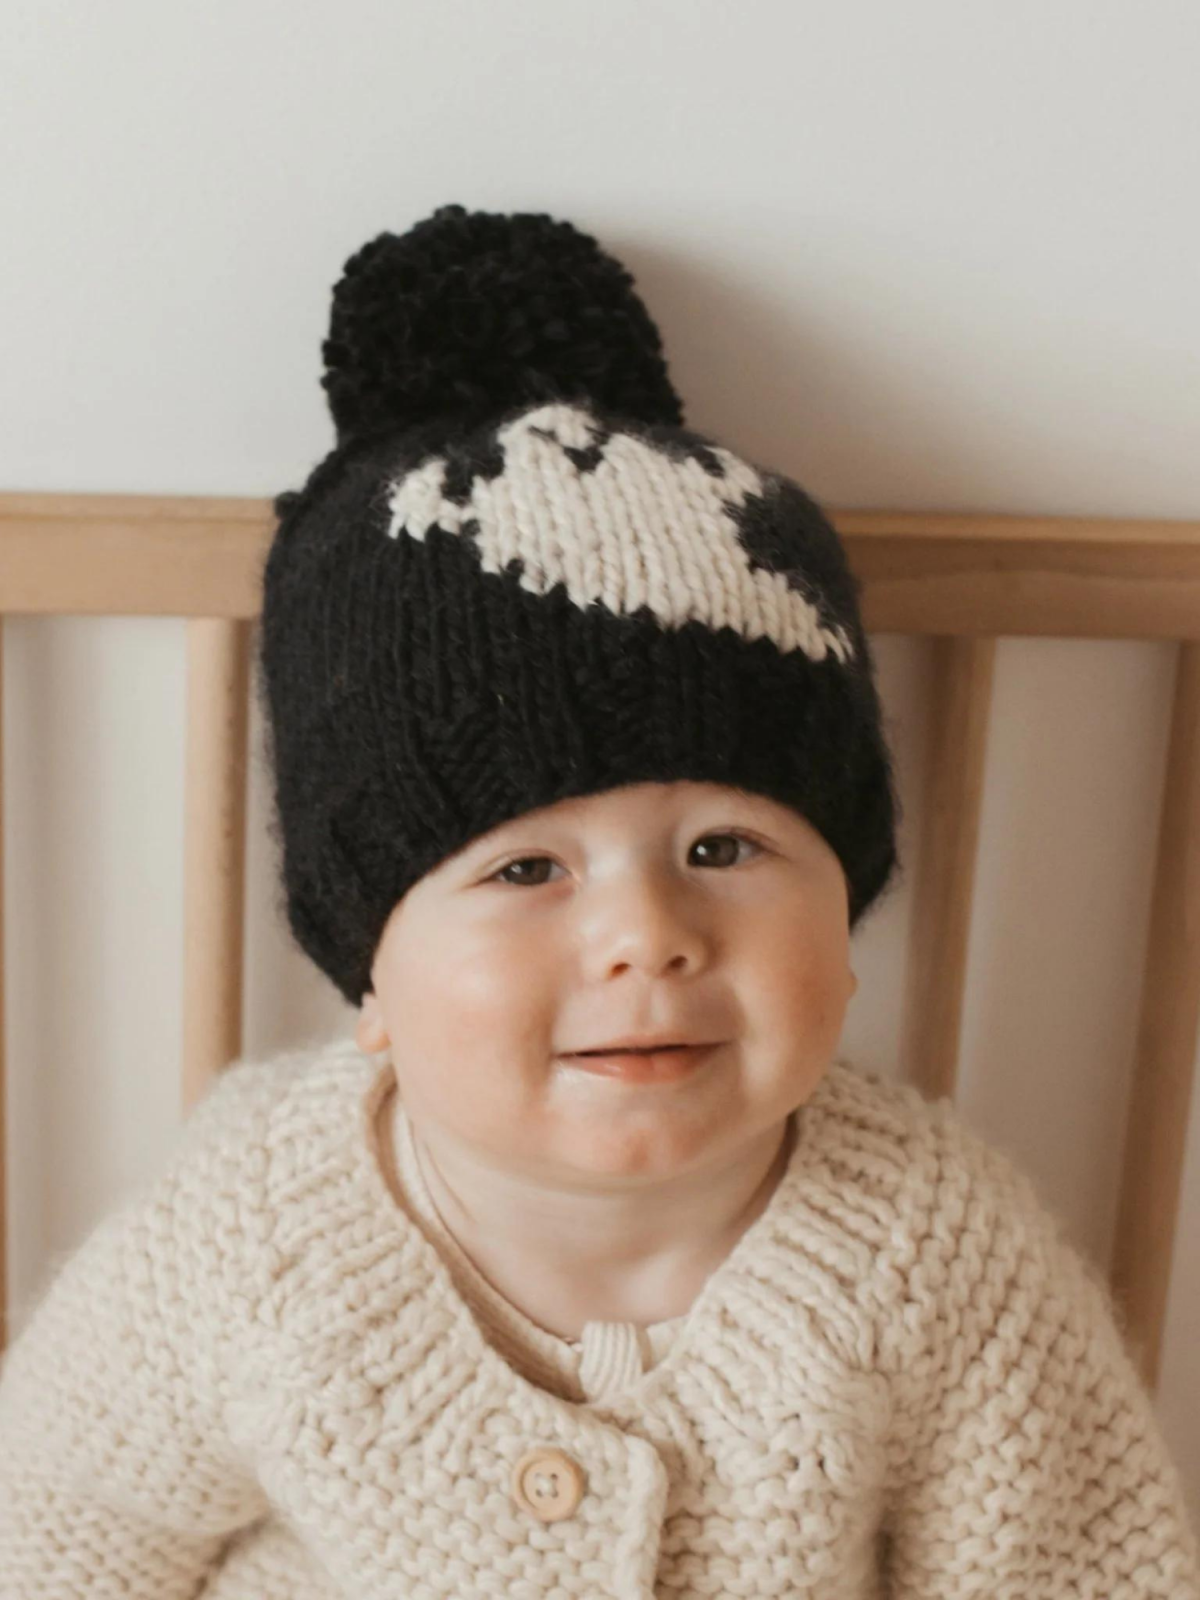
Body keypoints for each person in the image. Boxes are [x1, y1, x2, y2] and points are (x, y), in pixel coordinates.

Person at [0, 202, 1195, 1599]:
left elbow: (1076, 1571)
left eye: (725, 848)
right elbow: (54, 1529)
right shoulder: (248, 1233)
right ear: (370, 972)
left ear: (845, 915)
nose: (648, 937)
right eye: (526, 870)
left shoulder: (938, 1251)